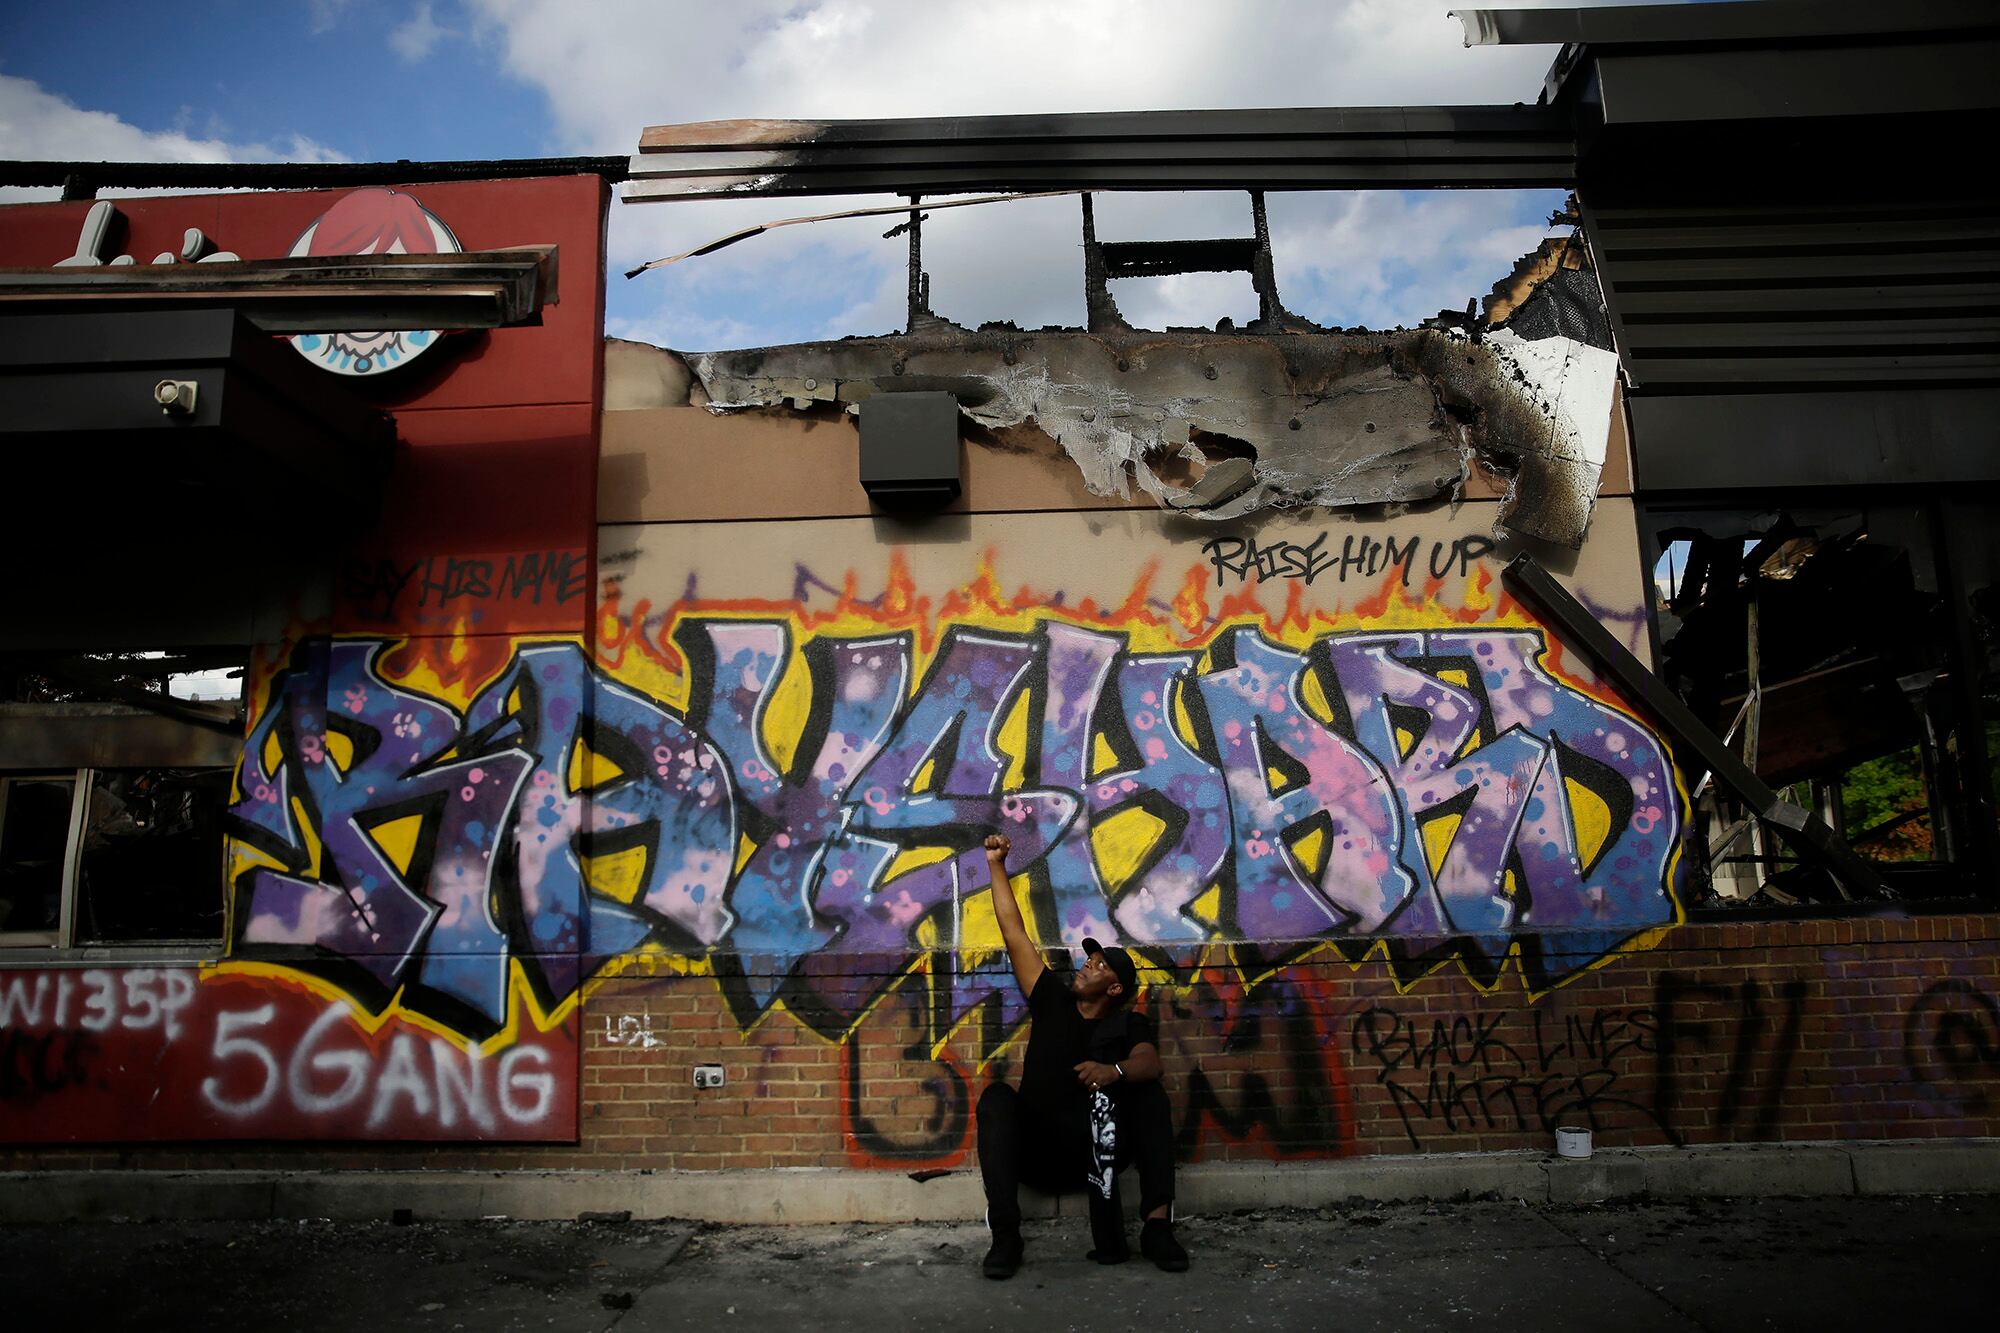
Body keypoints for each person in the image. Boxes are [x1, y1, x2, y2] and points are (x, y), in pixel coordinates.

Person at [974, 832, 1189, 1279]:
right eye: (1090, 958)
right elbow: (1013, 933)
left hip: (1100, 1157)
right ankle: (1005, 1235)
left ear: (1114, 988)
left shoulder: (1128, 1024)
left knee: (1151, 1097)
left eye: (1101, 964)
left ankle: (1157, 1229)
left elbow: (1150, 1063)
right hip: (1038, 1152)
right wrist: (996, 864)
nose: (1089, 963)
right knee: (996, 1098)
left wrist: (1114, 1071)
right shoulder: (1051, 997)